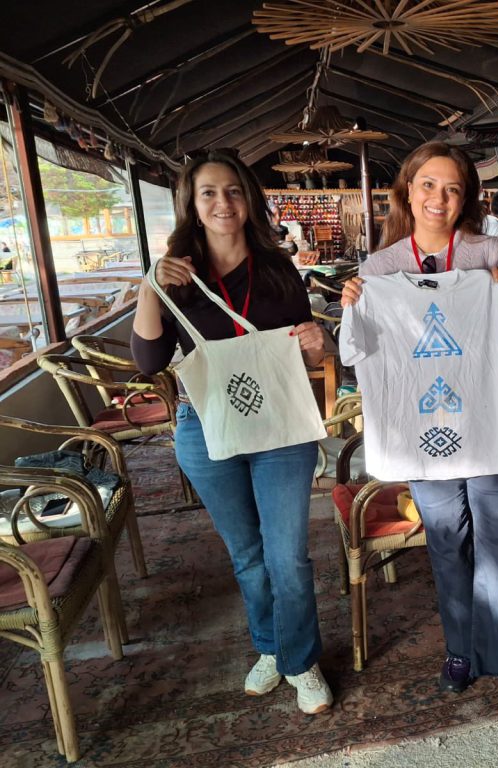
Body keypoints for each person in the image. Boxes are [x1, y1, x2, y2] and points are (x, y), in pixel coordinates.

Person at [340, 142, 498, 721]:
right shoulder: (381, 269)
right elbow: (357, 352)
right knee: (447, 542)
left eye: (453, 188)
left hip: (487, 423)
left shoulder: (488, 252)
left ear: (465, 199)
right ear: (408, 191)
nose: (439, 198)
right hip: (423, 432)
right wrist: (356, 305)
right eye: (428, 185)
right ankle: (461, 648)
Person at [131, 148, 333, 715]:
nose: (223, 202)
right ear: (192, 206)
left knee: (287, 554)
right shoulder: (175, 276)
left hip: (280, 426)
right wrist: (150, 283)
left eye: (234, 191)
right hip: (207, 428)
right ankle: (271, 647)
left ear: (249, 201)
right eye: (209, 193)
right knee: (247, 554)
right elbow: (148, 362)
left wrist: (319, 345)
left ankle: (300, 659)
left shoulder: (277, 267)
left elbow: (306, 348)